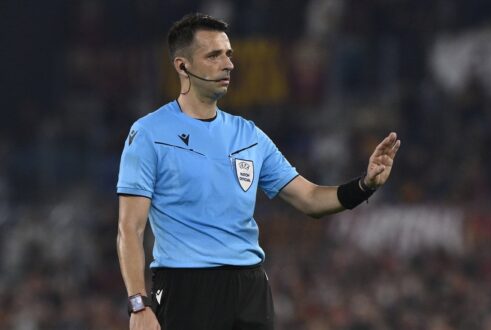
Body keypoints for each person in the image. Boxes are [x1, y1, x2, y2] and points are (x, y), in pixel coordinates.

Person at [116, 13, 401, 330]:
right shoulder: (149, 133)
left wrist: (365, 185)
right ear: (182, 66)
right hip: (186, 287)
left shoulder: (249, 136)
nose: (228, 64)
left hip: (250, 289)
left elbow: (309, 199)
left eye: (228, 54)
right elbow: (130, 228)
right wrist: (138, 303)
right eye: (213, 55)